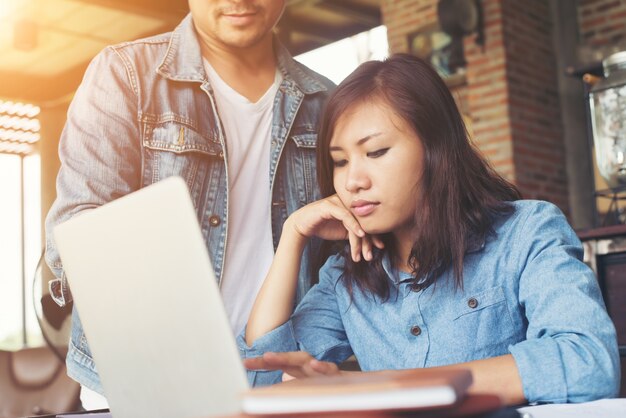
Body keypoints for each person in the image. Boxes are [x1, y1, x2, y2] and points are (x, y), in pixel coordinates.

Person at [238, 54, 621, 405]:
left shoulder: (527, 232)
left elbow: (587, 360)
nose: (352, 181)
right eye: (339, 161)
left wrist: (393, 387)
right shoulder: (347, 276)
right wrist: (293, 236)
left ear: (435, 147)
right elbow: (262, 378)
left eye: (376, 153)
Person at [44, 0, 334, 409]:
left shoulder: (327, 103)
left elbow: (348, 266)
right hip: (146, 387)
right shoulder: (125, 76)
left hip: (281, 385)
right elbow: (74, 236)